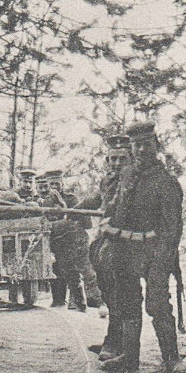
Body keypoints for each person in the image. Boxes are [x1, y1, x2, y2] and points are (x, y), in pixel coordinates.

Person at [98, 120, 186, 373]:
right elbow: (115, 206)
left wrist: (162, 261)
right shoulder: (126, 176)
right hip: (125, 250)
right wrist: (107, 220)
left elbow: (172, 231)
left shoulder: (166, 182)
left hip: (154, 251)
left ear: (156, 146)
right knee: (127, 302)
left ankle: (172, 358)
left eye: (147, 145)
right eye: (137, 146)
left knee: (158, 304)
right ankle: (130, 357)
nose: (142, 150)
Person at [80, 133, 132, 359]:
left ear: (130, 158)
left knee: (121, 295)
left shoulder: (134, 181)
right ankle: (111, 340)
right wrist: (68, 212)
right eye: (113, 159)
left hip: (125, 244)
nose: (117, 164)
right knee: (109, 294)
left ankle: (119, 346)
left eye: (122, 158)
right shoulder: (106, 180)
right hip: (104, 243)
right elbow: (95, 201)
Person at [43, 169, 89, 311]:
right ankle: (58, 300)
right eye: (51, 184)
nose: (54, 187)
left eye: (57, 184)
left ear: (62, 184)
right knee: (55, 269)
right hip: (52, 239)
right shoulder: (45, 200)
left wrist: (62, 204)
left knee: (71, 270)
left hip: (69, 240)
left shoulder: (71, 198)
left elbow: (78, 219)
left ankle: (77, 302)